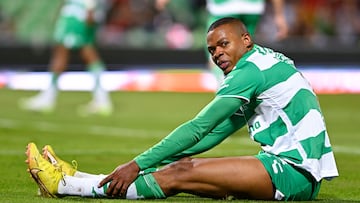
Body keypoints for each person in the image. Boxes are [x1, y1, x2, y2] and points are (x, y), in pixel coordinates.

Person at [25, 17, 338, 201]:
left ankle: (67, 185)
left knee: (179, 175)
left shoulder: (249, 72)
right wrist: (154, 163)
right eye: (212, 49)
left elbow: (200, 126)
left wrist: (137, 164)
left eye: (223, 45)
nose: (217, 54)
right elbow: (217, 133)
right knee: (180, 168)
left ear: (246, 39)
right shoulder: (263, 62)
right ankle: (84, 177)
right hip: (289, 167)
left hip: (292, 173)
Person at [19, 0, 113, 116]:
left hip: (77, 12)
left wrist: (90, 8)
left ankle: (48, 97)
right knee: (87, 50)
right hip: (83, 11)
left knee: (63, 51)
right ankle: (101, 98)